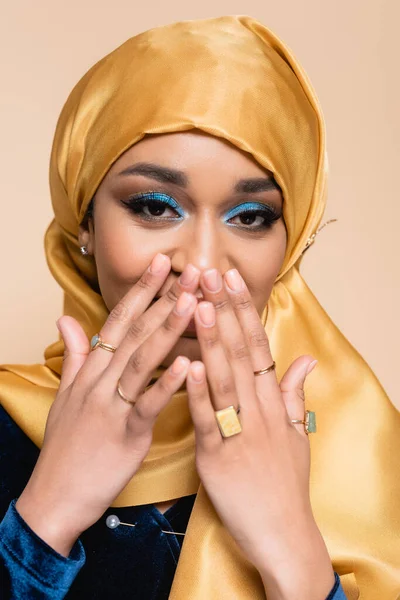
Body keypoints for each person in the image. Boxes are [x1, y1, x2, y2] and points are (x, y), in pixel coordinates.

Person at [0, 14, 399, 600]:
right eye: (155, 206)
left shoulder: (362, 447)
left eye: (252, 216)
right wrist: (46, 516)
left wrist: (294, 550)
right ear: (82, 218)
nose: (205, 264)